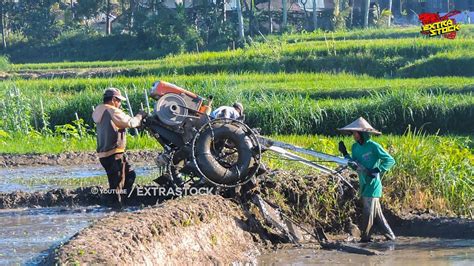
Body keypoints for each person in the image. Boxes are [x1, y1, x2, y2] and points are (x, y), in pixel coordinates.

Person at [337, 117, 396, 242]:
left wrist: (377, 170)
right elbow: (354, 165)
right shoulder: (355, 148)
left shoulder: (373, 146)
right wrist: (345, 154)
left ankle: (365, 238)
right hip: (364, 184)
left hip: (373, 184)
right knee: (378, 215)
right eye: (353, 133)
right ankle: (391, 237)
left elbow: (390, 160)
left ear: (362, 133)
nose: (354, 135)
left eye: (355, 133)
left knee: (368, 212)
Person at [92, 88, 145, 207]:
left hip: (105, 154)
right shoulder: (111, 110)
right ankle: (116, 208)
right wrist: (140, 116)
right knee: (116, 185)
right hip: (114, 153)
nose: (120, 104)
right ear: (113, 99)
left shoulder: (98, 110)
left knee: (130, 175)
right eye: (119, 101)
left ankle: (123, 201)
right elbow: (130, 123)